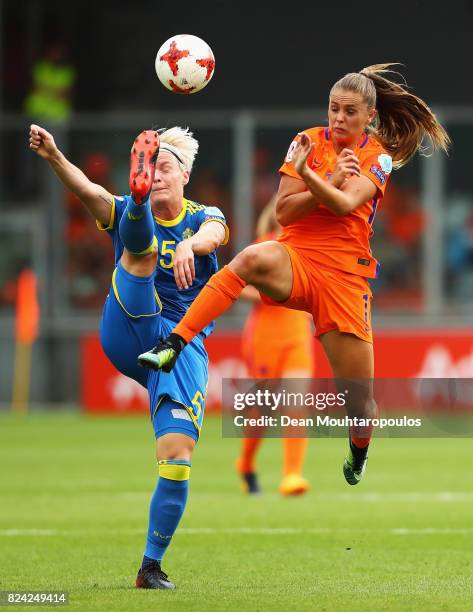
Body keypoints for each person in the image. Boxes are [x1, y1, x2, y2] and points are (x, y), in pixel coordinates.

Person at [138, 63, 450, 485]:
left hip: (344, 279)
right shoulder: (306, 142)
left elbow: (343, 204)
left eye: (349, 112)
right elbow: (284, 211)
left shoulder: (379, 158)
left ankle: (358, 450)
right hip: (297, 256)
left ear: (369, 117)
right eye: (333, 109)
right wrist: (317, 175)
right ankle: (174, 342)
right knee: (249, 258)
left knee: (360, 405)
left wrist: (309, 177)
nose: (338, 118)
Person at [29, 124, 228, 589]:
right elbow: (86, 189)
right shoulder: (119, 207)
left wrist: (188, 244)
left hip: (178, 344)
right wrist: (56, 155)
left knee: (177, 458)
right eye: (148, 167)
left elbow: (215, 235)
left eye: (163, 167)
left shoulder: (204, 216)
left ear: (184, 175)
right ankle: (139, 213)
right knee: (136, 245)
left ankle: (150, 567)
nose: (156, 174)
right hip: (129, 323)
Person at [237, 198, 314, 496]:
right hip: (265, 336)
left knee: (297, 404)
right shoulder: (263, 247)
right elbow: (235, 284)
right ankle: (245, 464)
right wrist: (271, 295)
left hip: (296, 332)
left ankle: (292, 475)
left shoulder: (305, 250)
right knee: (262, 412)